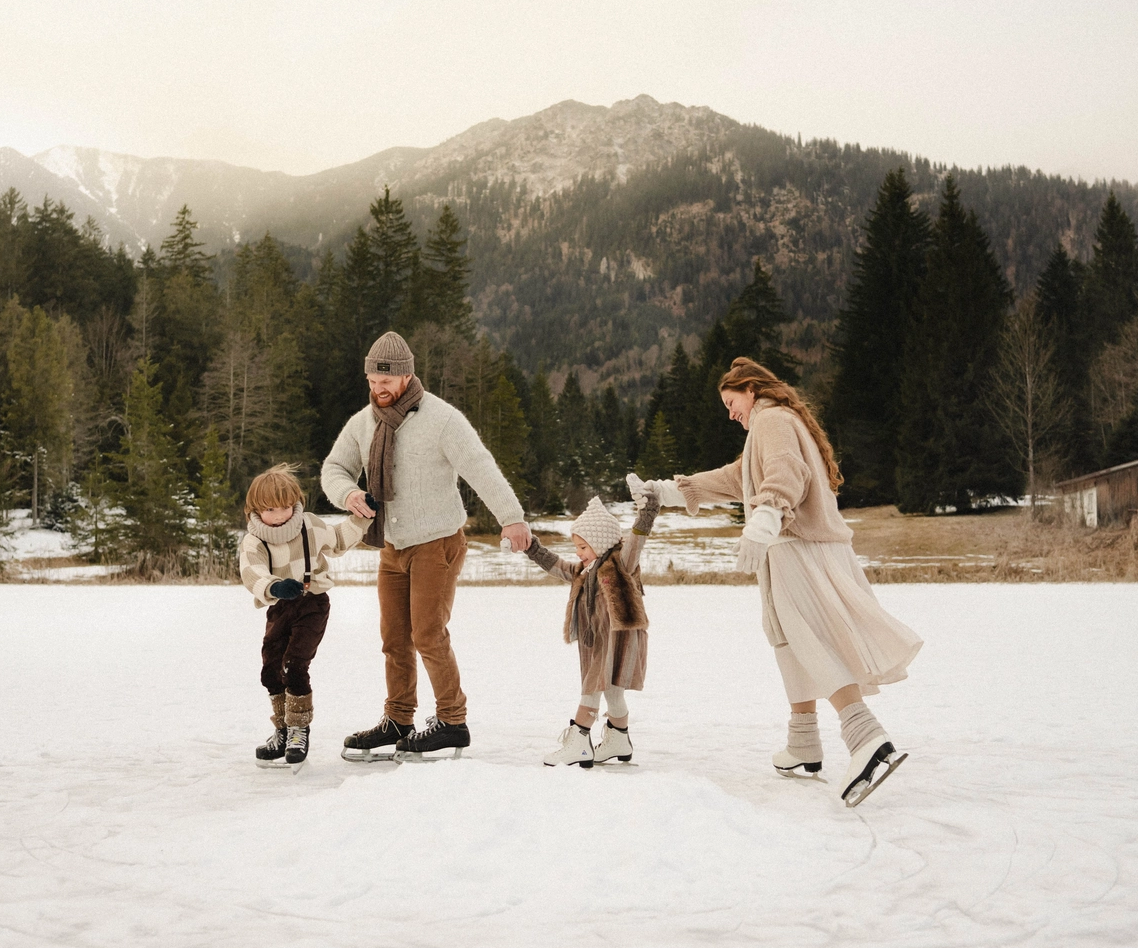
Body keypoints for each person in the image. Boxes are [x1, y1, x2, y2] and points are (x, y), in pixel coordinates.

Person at [673, 357, 923, 806]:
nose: (730, 414)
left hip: (796, 548)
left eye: (731, 403)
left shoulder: (771, 420)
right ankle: (803, 741)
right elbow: (735, 478)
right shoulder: (769, 428)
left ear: (750, 390)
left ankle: (864, 735)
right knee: (788, 641)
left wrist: (765, 518)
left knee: (812, 642)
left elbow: (787, 472)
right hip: (799, 548)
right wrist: (670, 490)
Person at [321, 331, 530, 761]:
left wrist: (511, 517)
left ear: (407, 376)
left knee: (428, 634)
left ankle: (453, 722)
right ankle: (398, 719)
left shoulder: (442, 418)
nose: (378, 389)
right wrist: (349, 494)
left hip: (437, 544)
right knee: (394, 638)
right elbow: (334, 467)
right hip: (392, 548)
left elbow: (480, 466)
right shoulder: (364, 422)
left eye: (386, 382)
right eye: (372, 381)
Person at [238, 463, 373, 769]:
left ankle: (299, 729)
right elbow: (251, 573)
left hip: (312, 603)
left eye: (286, 506)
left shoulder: (309, 525)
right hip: (280, 606)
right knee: (271, 668)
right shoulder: (254, 541)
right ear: (257, 509)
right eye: (272, 509)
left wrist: (361, 517)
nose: (281, 514)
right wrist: (274, 585)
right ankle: (283, 730)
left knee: (294, 663)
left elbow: (338, 539)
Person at [521, 487, 660, 767]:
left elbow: (636, 541)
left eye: (583, 547)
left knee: (592, 686)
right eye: (577, 547)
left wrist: (647, 513)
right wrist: (532, 548)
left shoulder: (621, 563)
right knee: (612, 692)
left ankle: (580, 740)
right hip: (595, 640)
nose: (578, 552)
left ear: (601, 542)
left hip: (618, 639)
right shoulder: (583, 572)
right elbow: (557, 565)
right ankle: (620, 738)